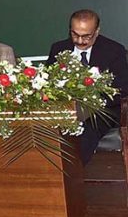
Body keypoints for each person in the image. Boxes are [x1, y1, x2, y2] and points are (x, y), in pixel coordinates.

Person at [46, 9, 128, 165]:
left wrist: (92, 101)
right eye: (75, 34)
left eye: (86, 36)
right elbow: (48, 83)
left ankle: (73, 174)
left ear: (97, 31)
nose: (80, 41)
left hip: (103, 110)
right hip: (67, 108)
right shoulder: (58, 49)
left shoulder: (113, 50)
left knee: (86, 129)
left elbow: (122, 88)